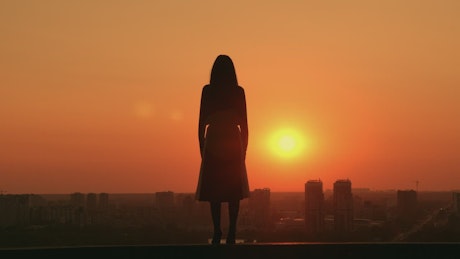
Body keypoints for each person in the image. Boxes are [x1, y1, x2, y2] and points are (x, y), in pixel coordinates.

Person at [196, 55, 249, 245]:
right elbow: (245, 126)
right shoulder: (238, 91)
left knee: (215, 192)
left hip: (214, 140)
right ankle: (232, 230)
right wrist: (244, 150)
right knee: (232, 191)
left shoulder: (208, 91)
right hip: (233, 142)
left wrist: (202, 148)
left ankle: (218, 230)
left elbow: (201, 124)